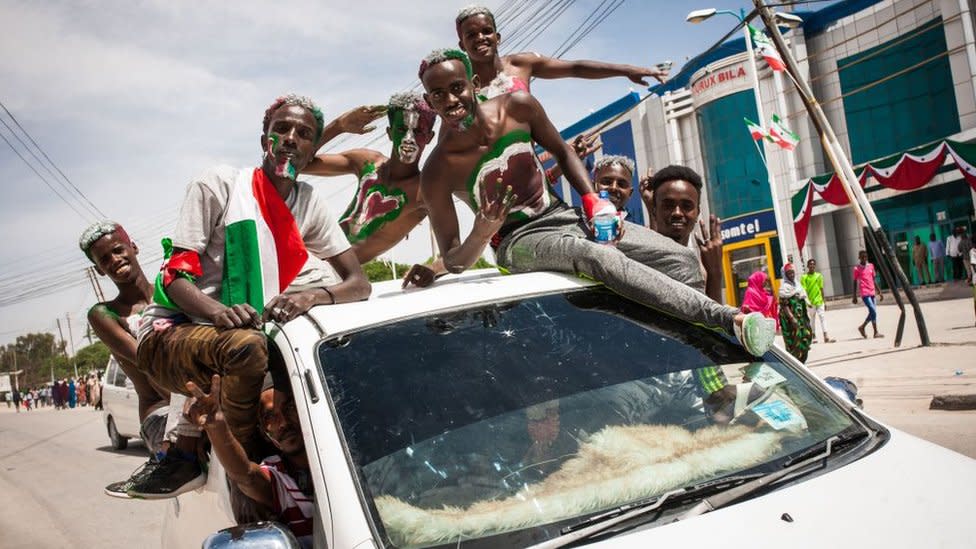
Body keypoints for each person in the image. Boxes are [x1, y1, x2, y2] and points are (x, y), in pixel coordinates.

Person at [415, 48, 775, 356]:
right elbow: (453, 259)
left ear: (474, 85)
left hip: (566, 216)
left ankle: (685, 348)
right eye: (438, 95)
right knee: (598, 256)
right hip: (518, 243)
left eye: (456, 88)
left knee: (679, 258)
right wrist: (481, 234)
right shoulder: (437, 171)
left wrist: (593, 202)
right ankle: (729, 320)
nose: (450, 101)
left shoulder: (518, 107)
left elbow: (562, 152)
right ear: (430, 103)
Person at [130, 94, 370, 499]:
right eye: (282, 129)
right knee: (247, 346)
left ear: (313, 149)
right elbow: (174, 279)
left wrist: (313, 297)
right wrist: (218, 311)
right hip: (171, 333)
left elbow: (358, 284)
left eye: (304, 134)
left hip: (236, 338)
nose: (291, 138)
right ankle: (207, 459)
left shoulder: (308, 201)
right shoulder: (218, 185)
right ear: (265, 139)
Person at [185, 372, 313, 547]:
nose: (283, 423)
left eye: (289, 409)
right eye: (270, 417)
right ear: (264, 433)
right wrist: (216, 426)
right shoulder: (279, 476)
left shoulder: (344, 458)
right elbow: (246, 475)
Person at [454, 5, 668, 100]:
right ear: (462, 45)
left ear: (497, 37)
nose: (480, 38)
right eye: (471, 35)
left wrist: (628, 70)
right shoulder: (460, 87)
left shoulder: (521, 65)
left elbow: (575, 68)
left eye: (486, 31)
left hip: (529, 169)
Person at [646, 165, 724, 303]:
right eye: (668, 205)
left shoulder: (701, 270)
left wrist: (715, 274)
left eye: (686, 206)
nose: (677, 212)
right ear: (653, 210)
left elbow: (712, 319)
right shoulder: (641, 259)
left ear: (697, 212)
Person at [779, 263, 813, 362]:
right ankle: (795, 362)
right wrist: (792, 318)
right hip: (791, 319)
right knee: (794, 339)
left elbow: (802, 295)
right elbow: (784, 305)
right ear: (785, 274)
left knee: (805, 335)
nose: (792, 275)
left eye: (793, 272)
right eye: (789, 273)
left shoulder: (797, 284)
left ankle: (803, 356)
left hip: (801, 316)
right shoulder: (784, 288)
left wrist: (807, 302)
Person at [800, 259, 834, 343]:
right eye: (810, 264)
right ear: (807, 266)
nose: (812, 266)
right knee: (812, 319)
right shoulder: (804, 277)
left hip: (819, 301)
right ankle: (813, 336)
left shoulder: (819, 276)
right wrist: (807, 301)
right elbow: (804, 291)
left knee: (822, 317)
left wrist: (824, 301)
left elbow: (821, 289)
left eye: (813, 264)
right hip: (810, 302)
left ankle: (826, 336)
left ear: (815, 266)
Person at [852, 249, 884, 339]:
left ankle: (874, 332)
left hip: (872, 291)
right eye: (862, 257)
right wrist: (854, 296)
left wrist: (879, 291)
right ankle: (863, 327)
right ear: (859, 258)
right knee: (873, 311)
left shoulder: (871, 266)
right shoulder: (856, 268)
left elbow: (873, 279)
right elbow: (854, 282)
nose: (864, 258)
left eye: (865, 257)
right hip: (864, 292)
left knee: (873, 312)